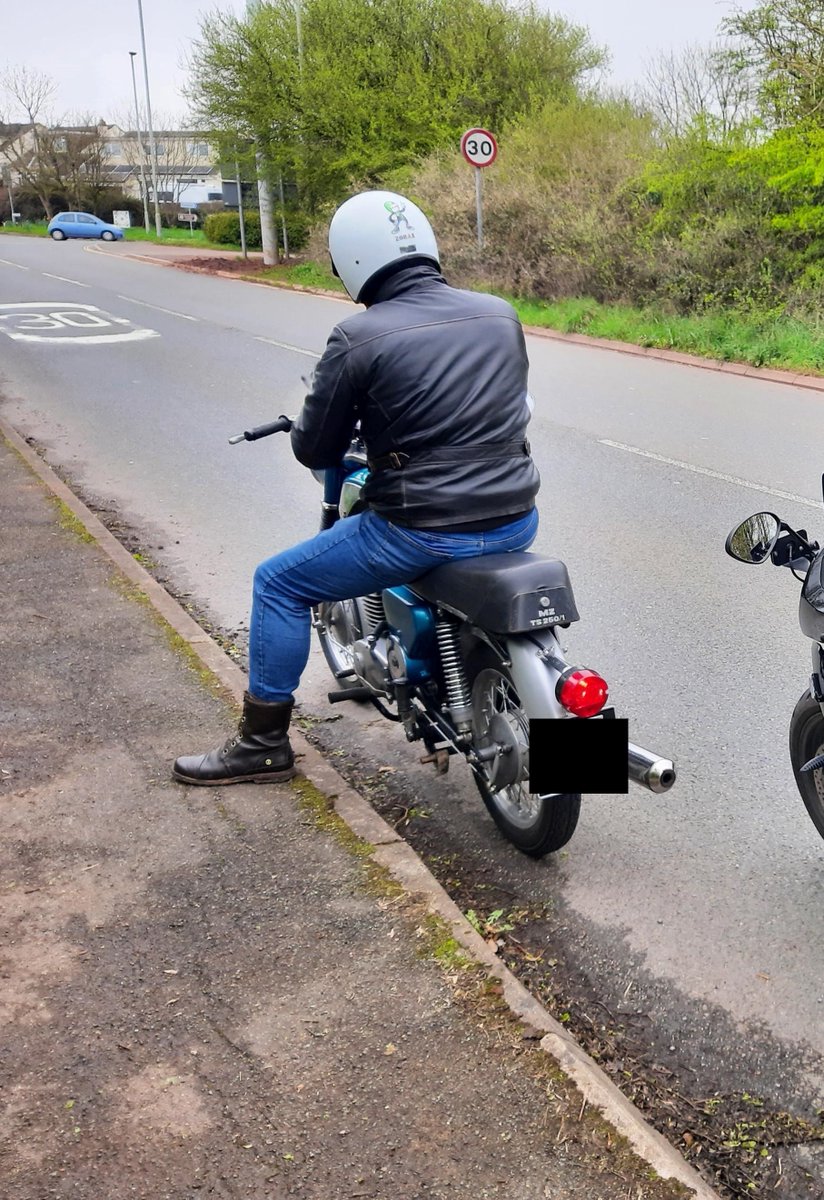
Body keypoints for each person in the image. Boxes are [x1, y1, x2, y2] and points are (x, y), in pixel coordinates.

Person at [172, 190, 540, 786]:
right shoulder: (499, 313)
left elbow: (315, 449)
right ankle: (469, 687)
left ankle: (262, 744)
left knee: (279, 582)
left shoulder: (358, 335)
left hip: (420, 529)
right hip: (515, 515)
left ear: (353, 262)